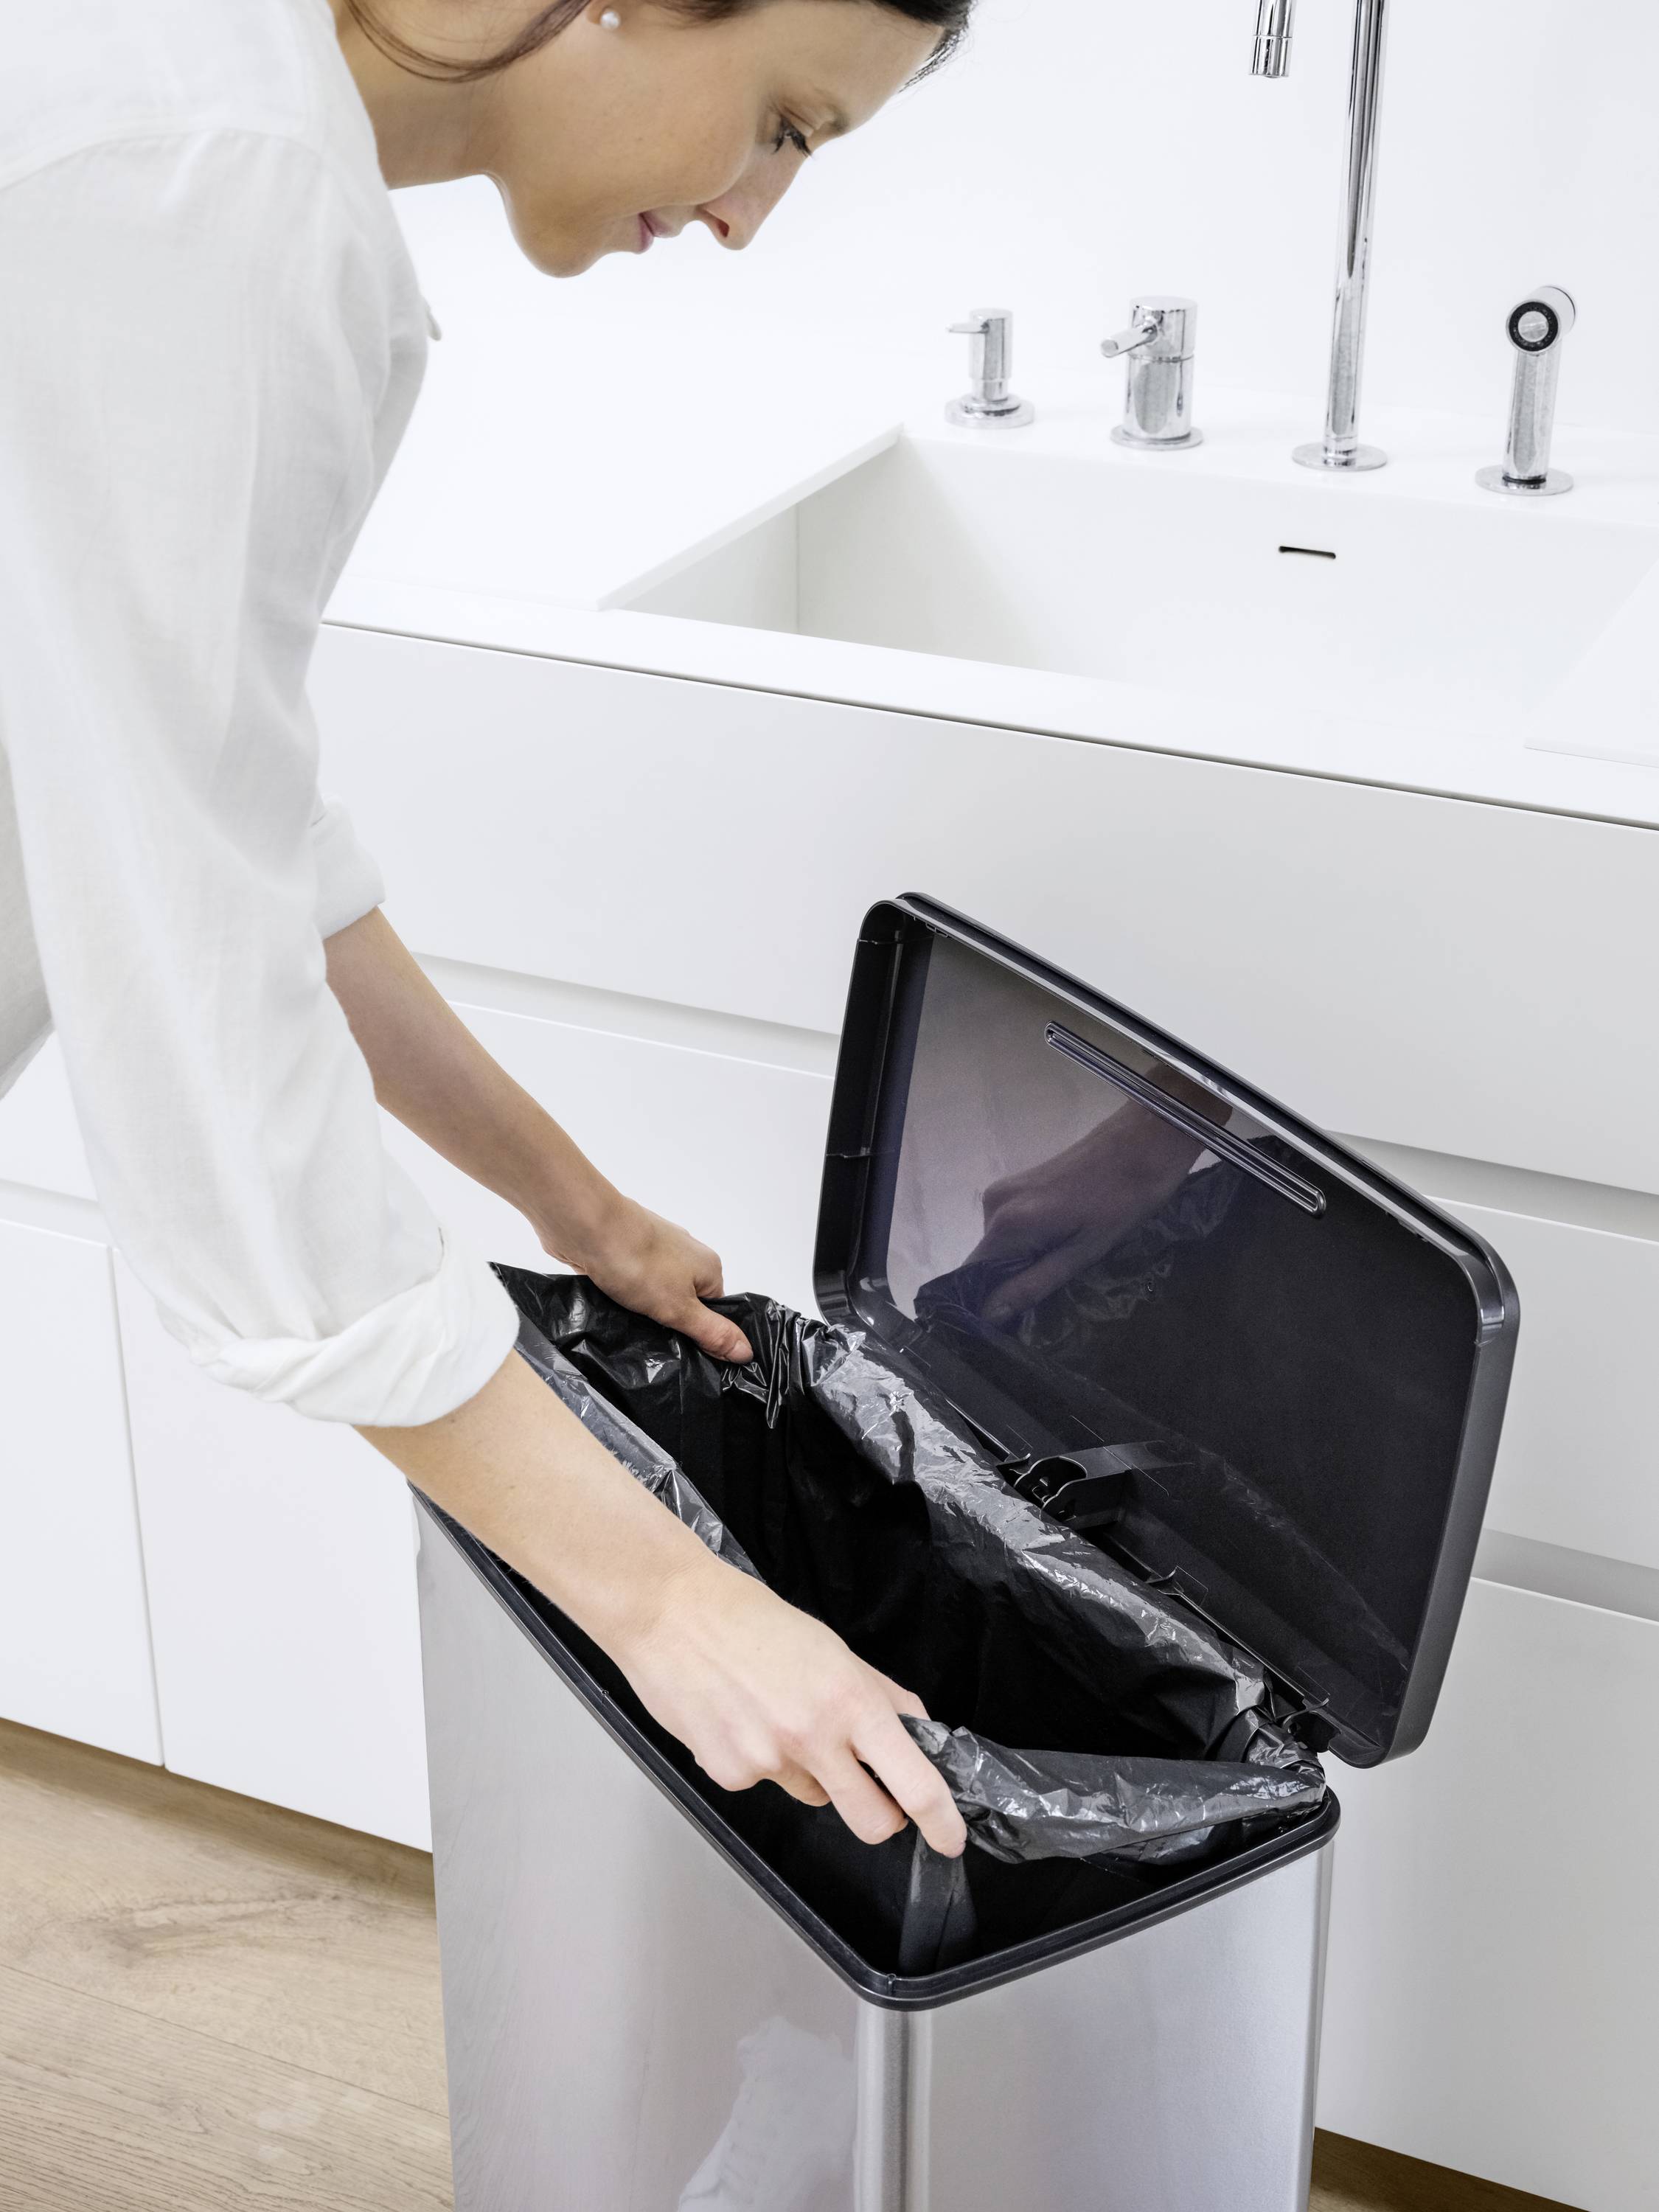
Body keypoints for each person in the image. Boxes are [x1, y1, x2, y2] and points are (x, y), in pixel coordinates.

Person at [0, 0, 969, 1859]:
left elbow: (230, 820)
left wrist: (573, 1203)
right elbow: (202, 1001)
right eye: (782, 119)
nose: (757, 210)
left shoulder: (217, 112)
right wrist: (664, 1595)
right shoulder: (221, 180)